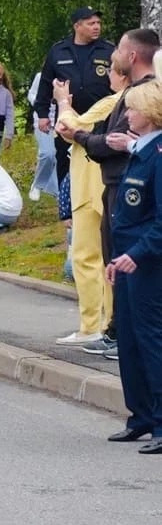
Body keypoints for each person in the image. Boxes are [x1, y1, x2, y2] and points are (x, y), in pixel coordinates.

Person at [60, 28, 159, 351]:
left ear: (131, 56)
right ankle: (117, 330)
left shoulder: (142, 95)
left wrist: (74, 125)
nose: (112, 54)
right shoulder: (131, 96)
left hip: (123, 184)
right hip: (116, 182)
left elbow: (89, 132)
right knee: (112, 255)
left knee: (115, 255)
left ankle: (117, 331)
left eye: (119, 48)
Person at [103, 78, 162, 453]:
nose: (128, 115)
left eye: (134, 108)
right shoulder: (141, 152)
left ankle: (160, 421)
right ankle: (139, 415)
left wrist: (136, 254)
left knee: (150, 340)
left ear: (153, 113)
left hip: (147, 264)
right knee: (128, 339)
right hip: (126, 261)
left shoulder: (157, 155)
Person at [53, 72, 122, 348]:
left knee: (89, 258)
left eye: (114, 71)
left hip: (91, 185)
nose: (110, 77)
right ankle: (104, 325)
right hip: (100, 185)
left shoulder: (113, 102)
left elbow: (70, 127)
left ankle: (95, 325)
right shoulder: (128, 100)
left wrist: (62, 102)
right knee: (104, 257)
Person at [33, 6, 116, 184]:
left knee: (97, 162)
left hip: (100, 118)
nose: (96, 27)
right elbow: (46, 83)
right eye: (91, 23)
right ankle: (66, 207)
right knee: (65, 161)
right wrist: (42, 114)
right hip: (67, 118)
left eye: (98, 23)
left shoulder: (108, 49)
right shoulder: (58, 50)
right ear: (77, 26)